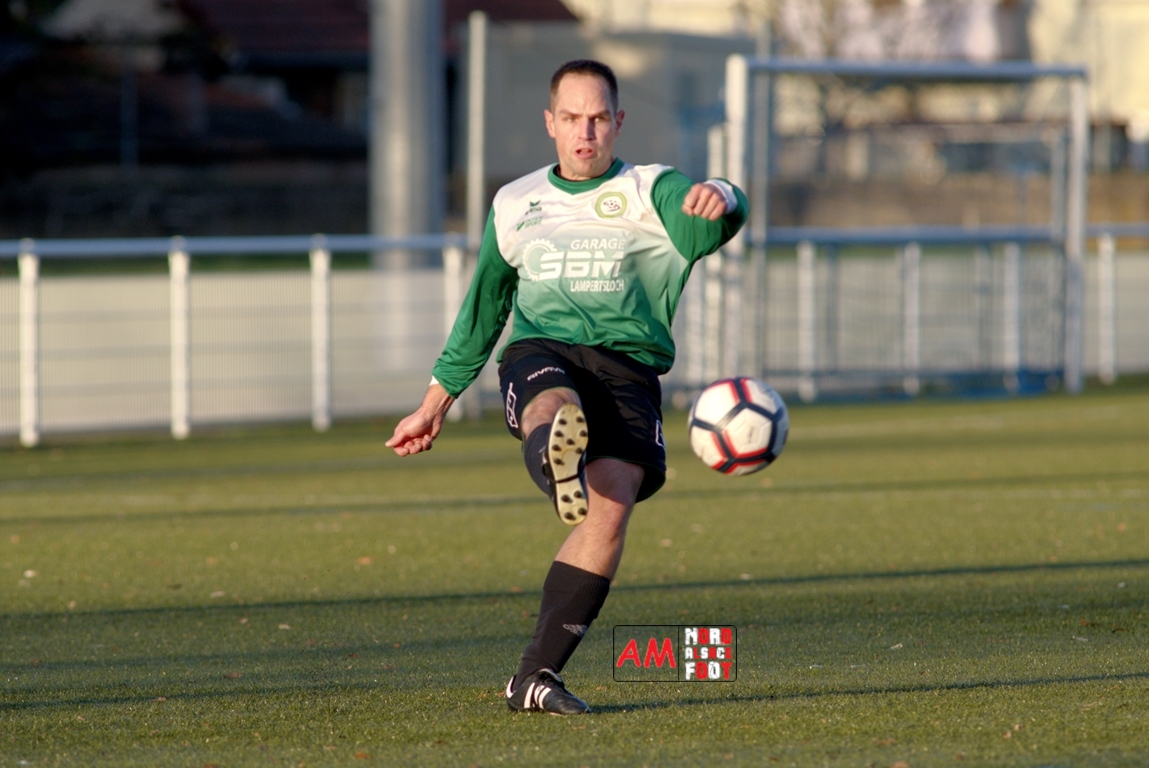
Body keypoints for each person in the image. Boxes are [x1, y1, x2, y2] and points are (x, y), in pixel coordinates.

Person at [386, 59, 747, 714]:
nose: (586, 132)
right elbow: (484, 308)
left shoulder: (652, 189)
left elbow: (711, 223)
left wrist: (723, 193)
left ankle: (534, 678)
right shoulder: (514, 202)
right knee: (556, 407)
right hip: (541, 349)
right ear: (550, 123)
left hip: (628, 366)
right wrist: (434, 402)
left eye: (599, 118)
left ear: (618, 122)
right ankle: (558, 459)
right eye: (573, 118)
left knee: (611, 507)